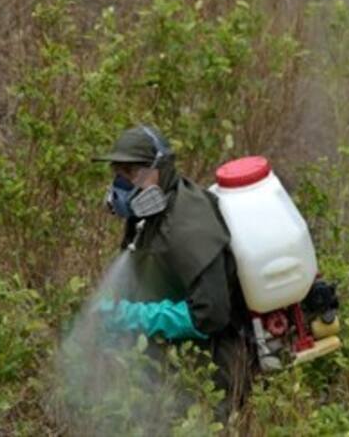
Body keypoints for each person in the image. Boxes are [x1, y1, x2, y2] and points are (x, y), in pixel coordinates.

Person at [93, 124, 251, 413]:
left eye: (132, 174)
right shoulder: (152, 211)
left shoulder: (187, 227)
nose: (122, 185)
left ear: (161, 170)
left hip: (218, 363)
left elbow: (210, 315)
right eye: (118, 173)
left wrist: (136, 316)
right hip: (175, 355)